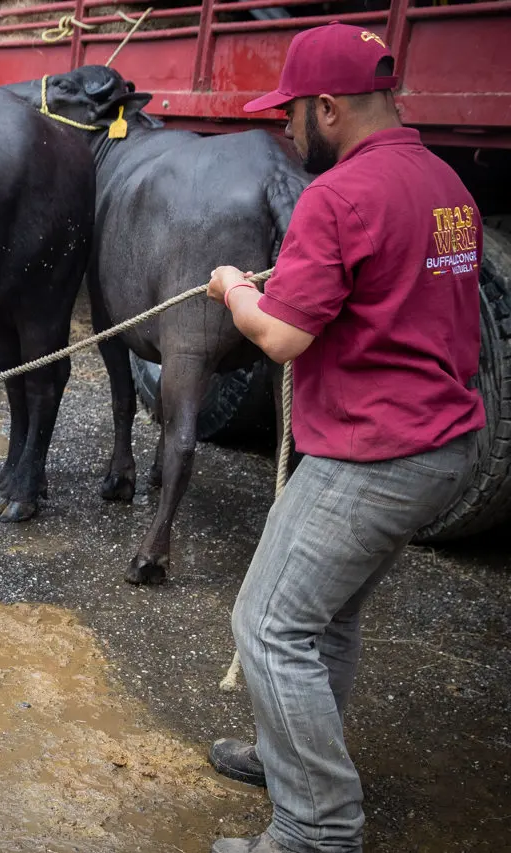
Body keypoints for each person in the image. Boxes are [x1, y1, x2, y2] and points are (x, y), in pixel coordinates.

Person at [204, 23, 484, 853]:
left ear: (327, 107)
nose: (286, 130)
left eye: (289, 113)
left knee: (268, 625)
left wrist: (234, 290)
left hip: (377, 454)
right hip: (442, 445)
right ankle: (287, 757)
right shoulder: (445, 184)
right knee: (322, 617)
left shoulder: (338, 196)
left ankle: (318, 827)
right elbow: (380, 287)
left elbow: (282, 336)